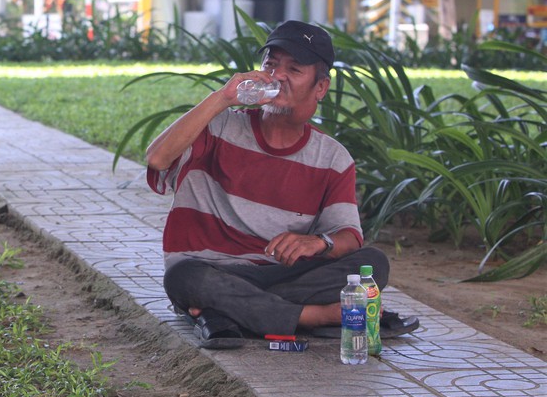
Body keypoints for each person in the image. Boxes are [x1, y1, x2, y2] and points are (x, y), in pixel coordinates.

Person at [146, 20, 419, 349]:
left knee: (374, 264)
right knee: (184, 278)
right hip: (210, 270)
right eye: (270, 64)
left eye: (294, 68)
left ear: (320, 88)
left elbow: (348, 238)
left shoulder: (333, 158)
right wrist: (221, 98)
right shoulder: (217, 127)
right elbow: (158, 159)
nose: (277, 76)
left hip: (277, 274)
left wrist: (317, 243)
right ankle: (315, 317)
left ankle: (225, 312)